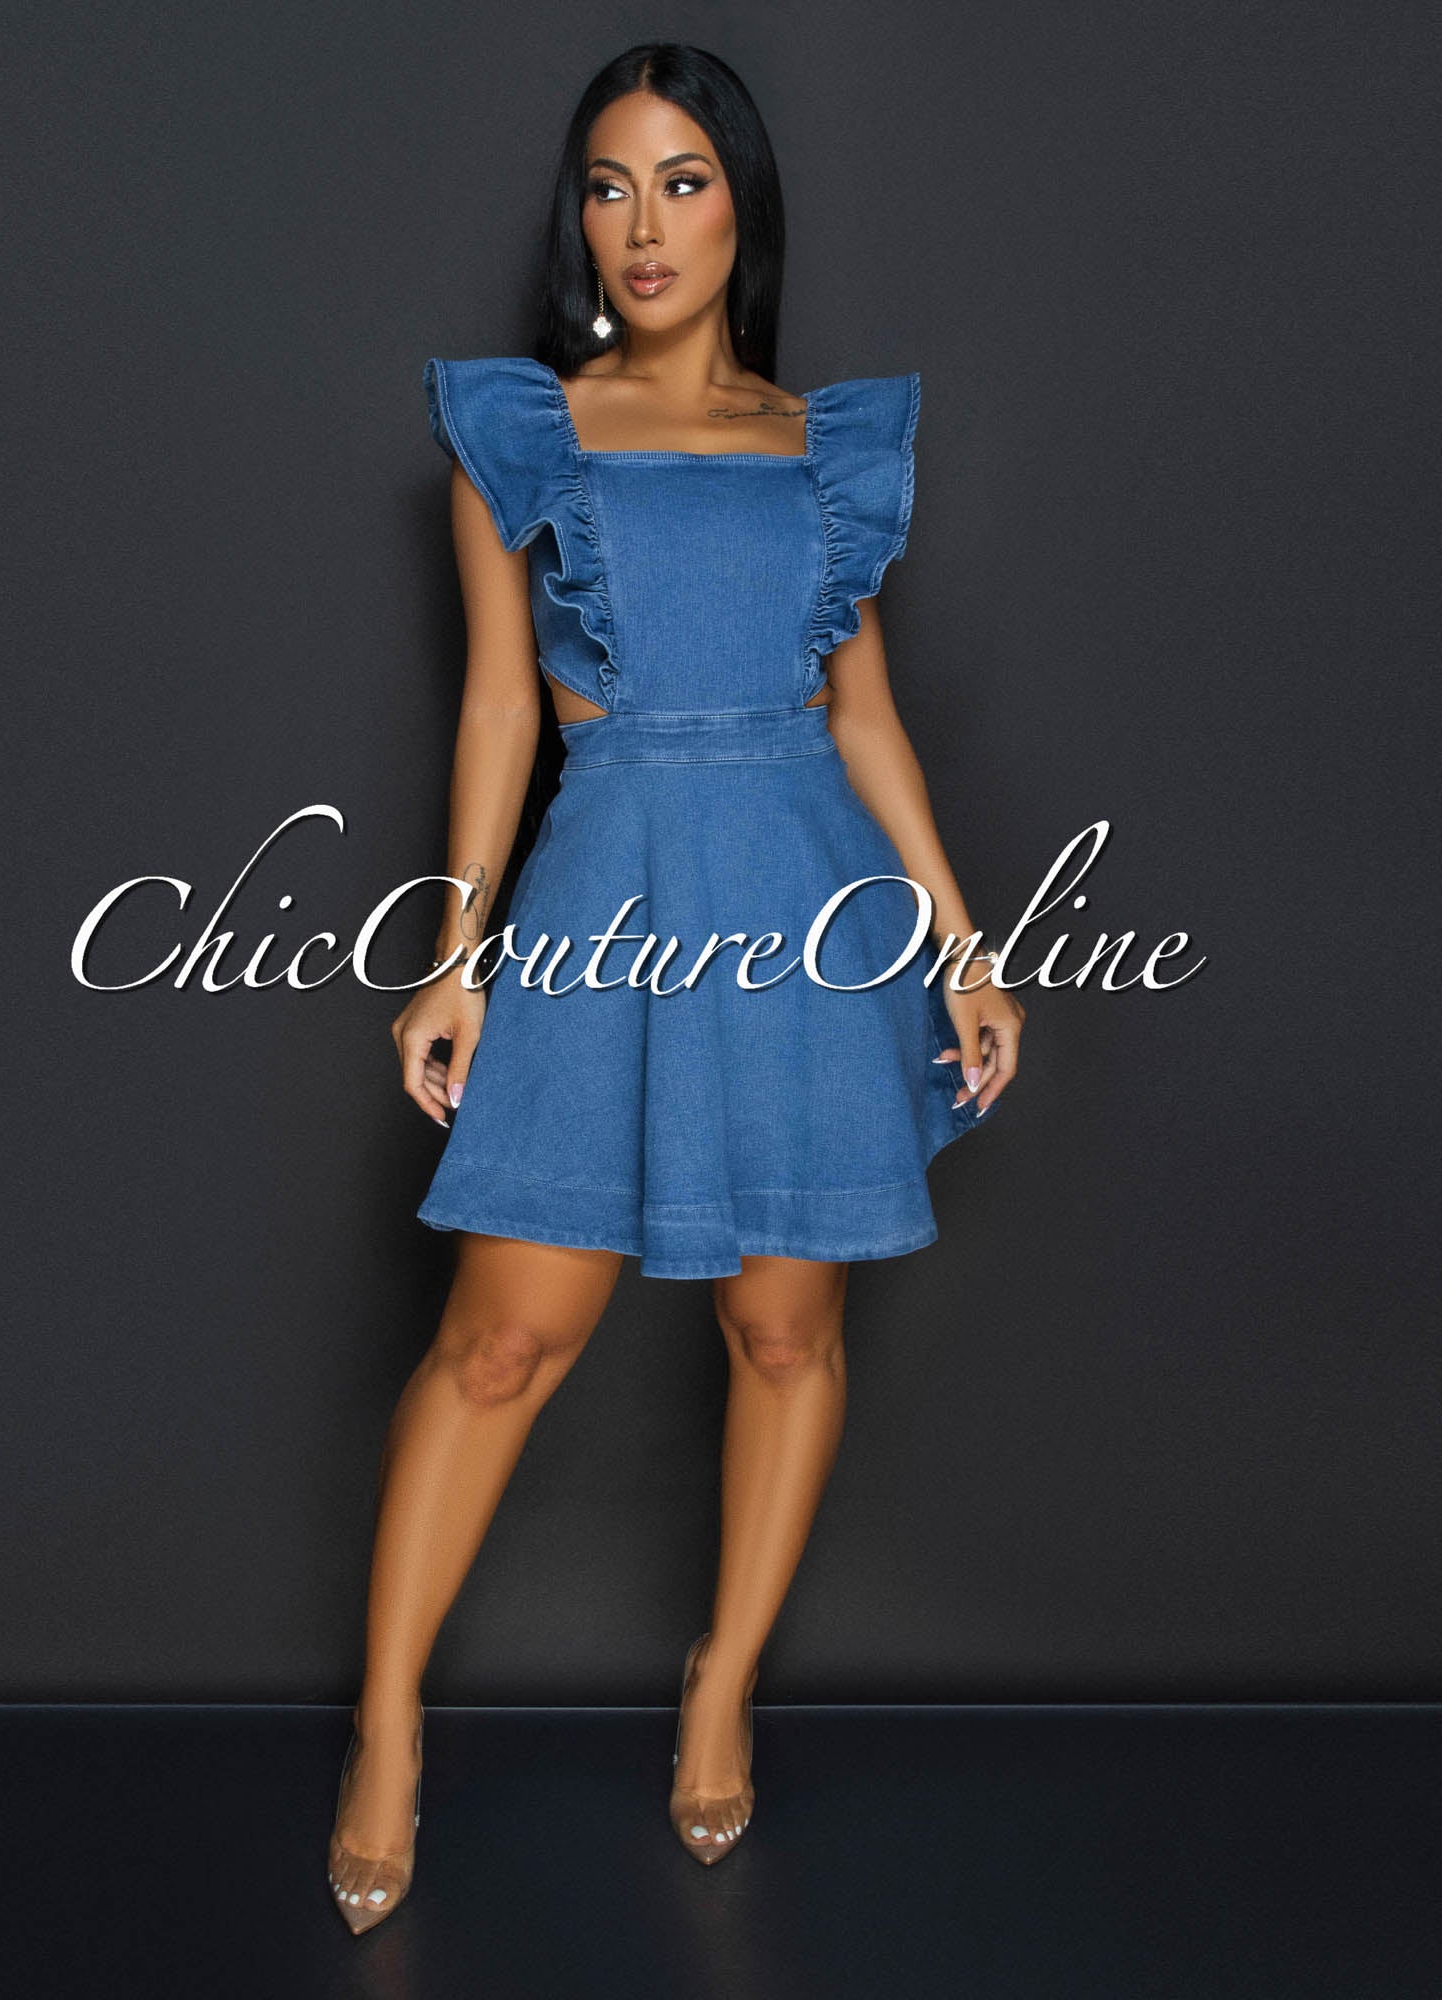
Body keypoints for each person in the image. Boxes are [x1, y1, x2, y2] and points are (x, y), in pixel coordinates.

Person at [327, 41, 1025, 1931]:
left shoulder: (824, 444)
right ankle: (385, 1725)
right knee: (501, 1344)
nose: (644, 224)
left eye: (686, 180)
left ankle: (721, 1685)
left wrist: (965, 943)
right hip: (608, 893)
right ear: (580, 219)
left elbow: (860, 711)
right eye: (611, 184)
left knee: (787, 1334)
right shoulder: (523, 431)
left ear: (743, 210)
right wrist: (453, 958)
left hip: (806, 902)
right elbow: (498, 708)